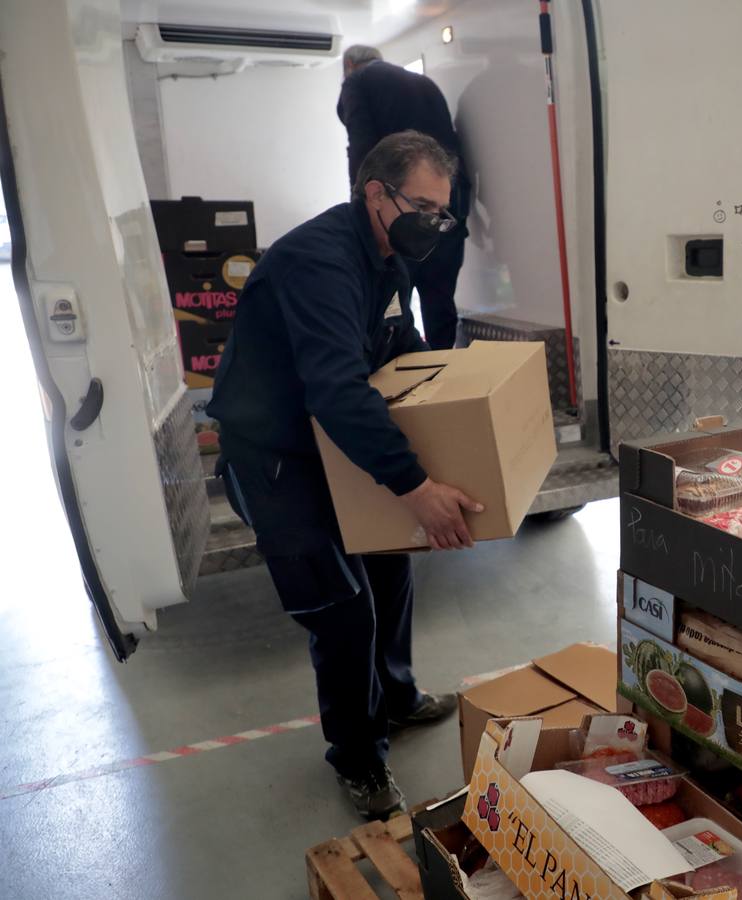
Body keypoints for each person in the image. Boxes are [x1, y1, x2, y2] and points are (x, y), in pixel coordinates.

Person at [208, 131, 481, 820]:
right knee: (341, 607)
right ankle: (358, 758)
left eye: (442, 212)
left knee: (391, 565)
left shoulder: (388, 257)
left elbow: (401, 350)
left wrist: (446, 395)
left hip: (332, 443)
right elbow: (337, 388)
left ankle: (395, 696)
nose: (434, 223)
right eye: (423, 205)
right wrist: (416, 488)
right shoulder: (318, 260)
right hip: (276, 456)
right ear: (375, 194)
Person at [338, 45, 469, 350]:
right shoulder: (422, 83)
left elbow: (361, 145)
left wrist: (361, 204)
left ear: (349, 65)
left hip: (405, 206)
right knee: (439, 299)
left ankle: (402, 385)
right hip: (448, 204)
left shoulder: (357, 81)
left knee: (392, 303)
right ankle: (443, 375)